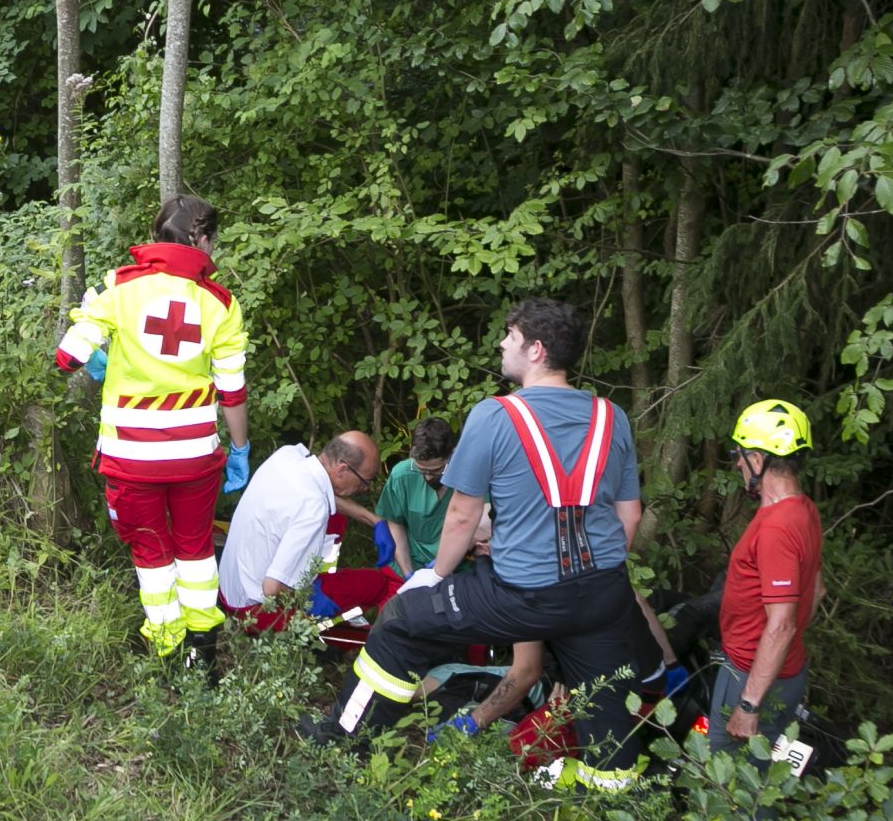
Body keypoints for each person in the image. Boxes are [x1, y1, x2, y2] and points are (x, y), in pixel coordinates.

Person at [301, 298, 649, 767]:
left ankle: (344, 742)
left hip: (523, 592)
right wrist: (590, 582)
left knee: (401, 620)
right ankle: (609, 814)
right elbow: (629, 515)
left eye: (511, 335)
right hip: (604, 593)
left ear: (536, 350)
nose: (503, 343)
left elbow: (464, 515)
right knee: (606, 708)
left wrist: (435, 575)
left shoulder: (496, 415)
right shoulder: (613, 417)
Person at [54, 195, 250, 674]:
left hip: (131, 459)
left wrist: (101, 355)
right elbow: (233, 393)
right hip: (195, 460)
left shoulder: (119, 288)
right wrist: (241, 449)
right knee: (196, 548)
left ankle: (167, 648)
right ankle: (203, 655)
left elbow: (66, 359)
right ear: (201, 240)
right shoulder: (221, 304)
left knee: (151, 553)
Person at [710, 398, 823, 746]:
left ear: (758, 459)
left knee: (727, 780)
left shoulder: (777, 528)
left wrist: (748, 703)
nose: (738, 466)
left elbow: (782, 623)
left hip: (750, 675)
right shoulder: (804, 509)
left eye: (738, 457)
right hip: (779, 668)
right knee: (756, 775)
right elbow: (817, 590)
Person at [217, 434, 398, 632]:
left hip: (230, 586)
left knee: (336, 517)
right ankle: (345, 636)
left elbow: (323, 493)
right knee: (377, 584)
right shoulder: (313, 508)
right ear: (342, 469)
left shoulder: (288, 456)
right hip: (254, 608)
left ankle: (319, 579)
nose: (364, 489)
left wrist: (374, 520)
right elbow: (271, 588)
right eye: (364, 481)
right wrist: (312, 601)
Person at [375, 417, 454, 579]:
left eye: (435, 470)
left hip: (458, 565)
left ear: (450, 456)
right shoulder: (402, 475)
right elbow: (395, 523)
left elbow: (480, 523)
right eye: (421, 470)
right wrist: (408, 574)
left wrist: (446, 562)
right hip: (411, 562)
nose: (427, 478)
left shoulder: (468, 475)